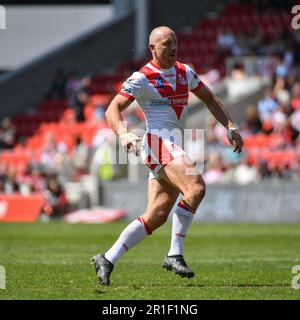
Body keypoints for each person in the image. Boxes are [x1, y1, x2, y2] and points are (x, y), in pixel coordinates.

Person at [91, 26, 243, 286]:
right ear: (152, 48)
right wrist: (124, 134)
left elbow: (210, 98)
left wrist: (229, 125)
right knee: (195, 187)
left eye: (174, 43)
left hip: (172, 148)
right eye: (165, 44)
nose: (172, 48)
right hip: (156, 143)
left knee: (157, 216)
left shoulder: (185, 72)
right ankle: (174, 253)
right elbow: (112, 109)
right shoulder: (142, 78)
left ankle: (107, 258)